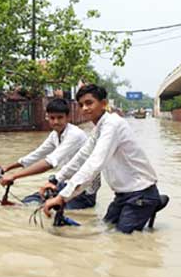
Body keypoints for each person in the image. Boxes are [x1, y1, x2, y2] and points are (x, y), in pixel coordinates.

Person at [41, 84, 168, 233]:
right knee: (105, 229)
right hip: (122, 195)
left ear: (103, 104)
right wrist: (55, 179)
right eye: (81, 105)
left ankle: (151, 204)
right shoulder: (99, 129)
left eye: (89, 103)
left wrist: (63, 197)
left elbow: (95, 163)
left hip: (140, 194)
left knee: (122, 240)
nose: (85, 108)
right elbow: (82, 156)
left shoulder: (112, 125)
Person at [0, 98, 99, 210]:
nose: (56, 122)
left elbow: (50, 162)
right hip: (64, 184)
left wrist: (14, 176)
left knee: (51, 209)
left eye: (60, 118)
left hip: (83, 190)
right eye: (52, 118)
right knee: (28, 202)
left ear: (68, 117)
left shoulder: (75, 135)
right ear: (47, 118)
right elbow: (36, 155)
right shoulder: (54, 135)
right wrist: (8, 168)